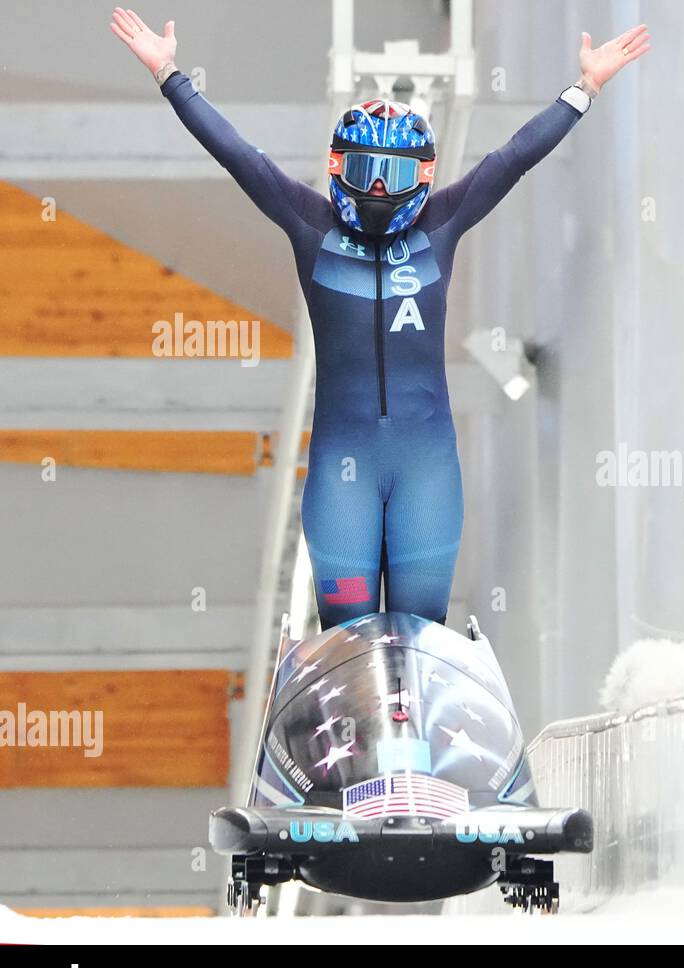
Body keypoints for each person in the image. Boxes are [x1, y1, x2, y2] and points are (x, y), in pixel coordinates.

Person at [110, 7, 650, 628]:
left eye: (392, 175)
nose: (376, 189)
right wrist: (169, 74)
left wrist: (585, 89)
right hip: (346, 473)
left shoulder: (443, 221)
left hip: (426, 470)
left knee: (421, 639)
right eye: (366, 171)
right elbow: (238, 156)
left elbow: (512, 158)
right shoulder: (309, 223)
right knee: (349, 641)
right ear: (338, 167)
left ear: (423, 177)